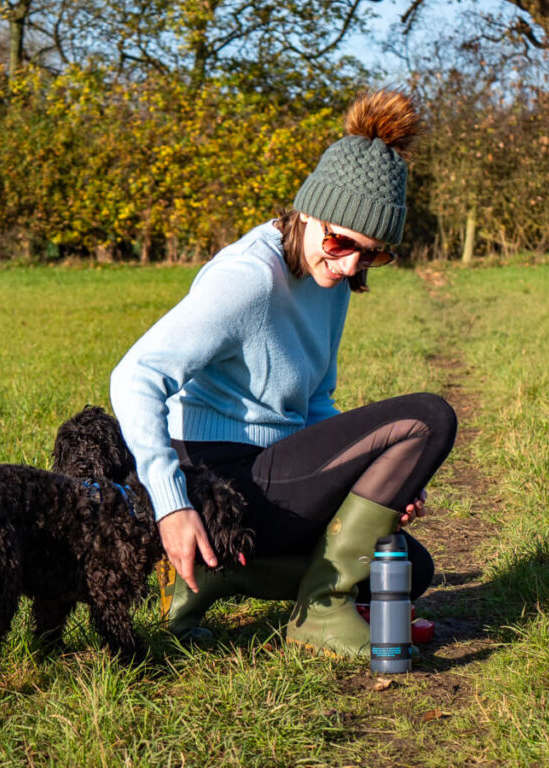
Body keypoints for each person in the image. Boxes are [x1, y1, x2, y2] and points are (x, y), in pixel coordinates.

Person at [110, 90, 457, 657]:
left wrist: (387, 473)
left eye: (369, 254)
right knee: (428, 417)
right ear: (307, 211)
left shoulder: (331, 282)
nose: (349, 265)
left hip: (269, 473)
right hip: (215, 477)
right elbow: (136, 376)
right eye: (340, 242)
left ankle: (220, 576)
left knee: (409, 568)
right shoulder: (248, 278)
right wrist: (172, 505)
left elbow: (315, 403)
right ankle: (318, 614)